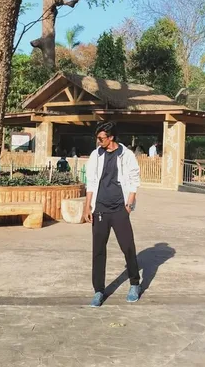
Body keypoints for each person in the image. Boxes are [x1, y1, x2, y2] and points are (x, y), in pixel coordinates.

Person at [83, 121, 141, 307]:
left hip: (119, 208)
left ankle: (134, 283)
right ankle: (98, 290)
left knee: (127, 246)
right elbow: (91, 181)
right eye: (97, 138)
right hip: (100, 207)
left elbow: (134, 179)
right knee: (98, 250)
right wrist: (87, 206)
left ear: (111, 137)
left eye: (101, 138)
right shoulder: (96, 155)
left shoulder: (126, 154)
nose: (98, 141)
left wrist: (128, 205)